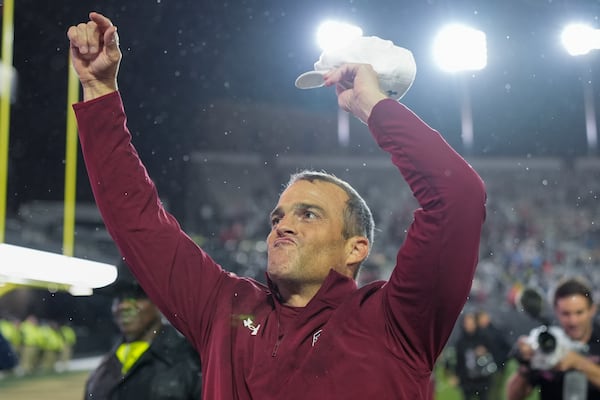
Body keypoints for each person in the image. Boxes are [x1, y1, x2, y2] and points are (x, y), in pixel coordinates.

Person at [67, 12, 486, 399]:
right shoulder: (224, 308)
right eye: (277, 216)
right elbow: (138, 220)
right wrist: (100, 93)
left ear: (356, 247)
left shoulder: (398, 320)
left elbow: (459, 198)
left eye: (308, 214)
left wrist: (374, 108)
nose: (282, 226)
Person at [85, 261, 202, 399]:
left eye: (136, 296)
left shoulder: (192, 361)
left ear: (159, 301)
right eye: (119, 298)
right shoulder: (103, 369)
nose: (124, 306)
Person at [506, 277, 600, 400]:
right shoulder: (548, 341)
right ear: (556, 310)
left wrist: (577, 362)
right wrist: (526, 366)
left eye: (579, 312)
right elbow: (513, 396)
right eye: (566, 313)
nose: (573, 321)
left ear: (592, 310)